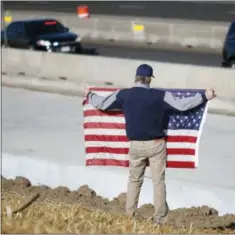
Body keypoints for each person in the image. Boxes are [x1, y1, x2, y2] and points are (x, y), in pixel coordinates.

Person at [85, 63, 216, 224]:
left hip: (135, 146)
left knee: (134, 181)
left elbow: (102, 103)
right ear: (149, 80)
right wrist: (204, 96)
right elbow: (182, 105)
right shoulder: (160, 95)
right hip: (156, 145)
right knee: (158, 182)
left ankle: (130, 216)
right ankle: (159, 219)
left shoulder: (124, 95)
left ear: (136, 78)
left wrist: (89, 95)